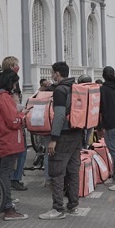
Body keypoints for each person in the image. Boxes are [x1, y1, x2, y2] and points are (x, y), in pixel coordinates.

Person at [0, 70, 29, 221]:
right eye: (14, 83)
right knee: (5, 174)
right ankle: (7, 208)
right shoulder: (3, 97)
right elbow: (13, 121)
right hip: (9, 140)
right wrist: (23, 115)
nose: (15, 86)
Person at [40, 61, 82, 219]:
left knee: (57, 172)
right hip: (77, 134)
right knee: (73, 172)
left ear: (57, 73)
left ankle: (57, 209)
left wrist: (53, 139)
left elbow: (59, 116)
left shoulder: (60, 90)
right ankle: (73, 205)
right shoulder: (75, 87)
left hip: (64, 135)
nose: (51, 75)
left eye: (52, 72)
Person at [1, 56, 28, 192]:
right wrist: (22, 113)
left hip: (8, 122)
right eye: (16, 65)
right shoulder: (10, 82)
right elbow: (14, 101)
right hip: (14, 120)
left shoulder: (0, 82)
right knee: (21, 151)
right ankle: (15, 179)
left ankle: (12, 179)